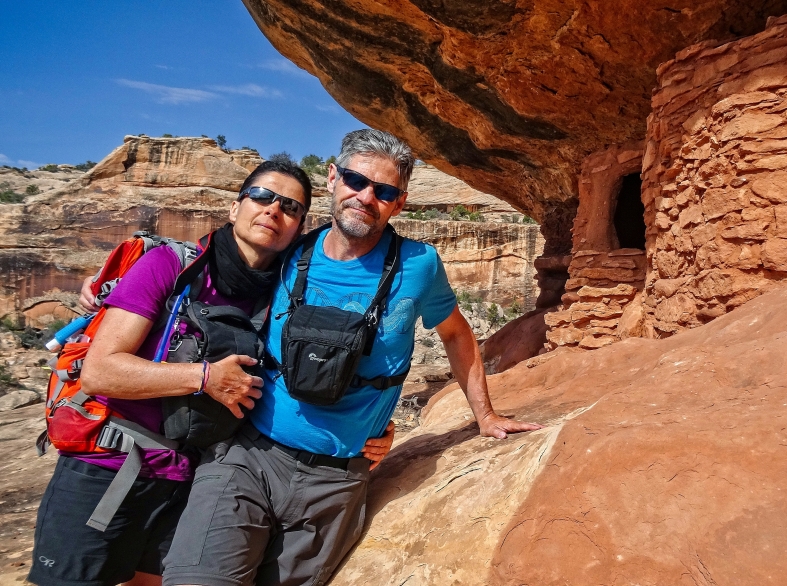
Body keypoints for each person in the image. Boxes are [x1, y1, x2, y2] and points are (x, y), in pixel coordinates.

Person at [161, 129, 542, 586]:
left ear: (399, 203)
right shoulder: (289, 251)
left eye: (383, 192)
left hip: (336, 481)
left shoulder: (418, 264)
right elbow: (205, 273)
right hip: (250, 458)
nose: (365, 197)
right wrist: (108, 290)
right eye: (356, 181)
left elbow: (458, 335)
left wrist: (485, 416)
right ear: (332, 178)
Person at [29, 160, 395, 586]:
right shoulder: (170, 266)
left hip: (192, 479)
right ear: (234, 208)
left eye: (291, 207)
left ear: (299, 228)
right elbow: (100, 372)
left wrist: (372, 429)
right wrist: (204, 377)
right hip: (107, 467)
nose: (273, 210)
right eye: (262, 196)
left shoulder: (285, 293)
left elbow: (331, 364)